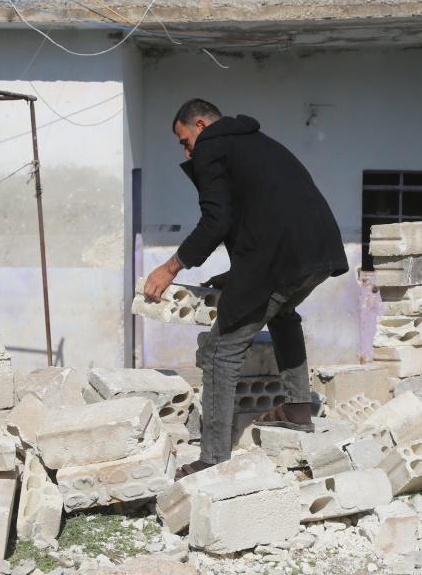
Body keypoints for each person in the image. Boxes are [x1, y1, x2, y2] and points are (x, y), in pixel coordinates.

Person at [142, 98, 348, 478]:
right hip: (318, 249)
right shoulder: (258, 142)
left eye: (184, 141)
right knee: (283, 311)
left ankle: (212, 459)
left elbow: (217, 219)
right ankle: (298, 409)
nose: (187, 151)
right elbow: (261, 212)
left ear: (200, 125)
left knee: (223, 348)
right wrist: (238, 273)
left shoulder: (212, 147)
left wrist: (171, 267)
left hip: (281, 256)